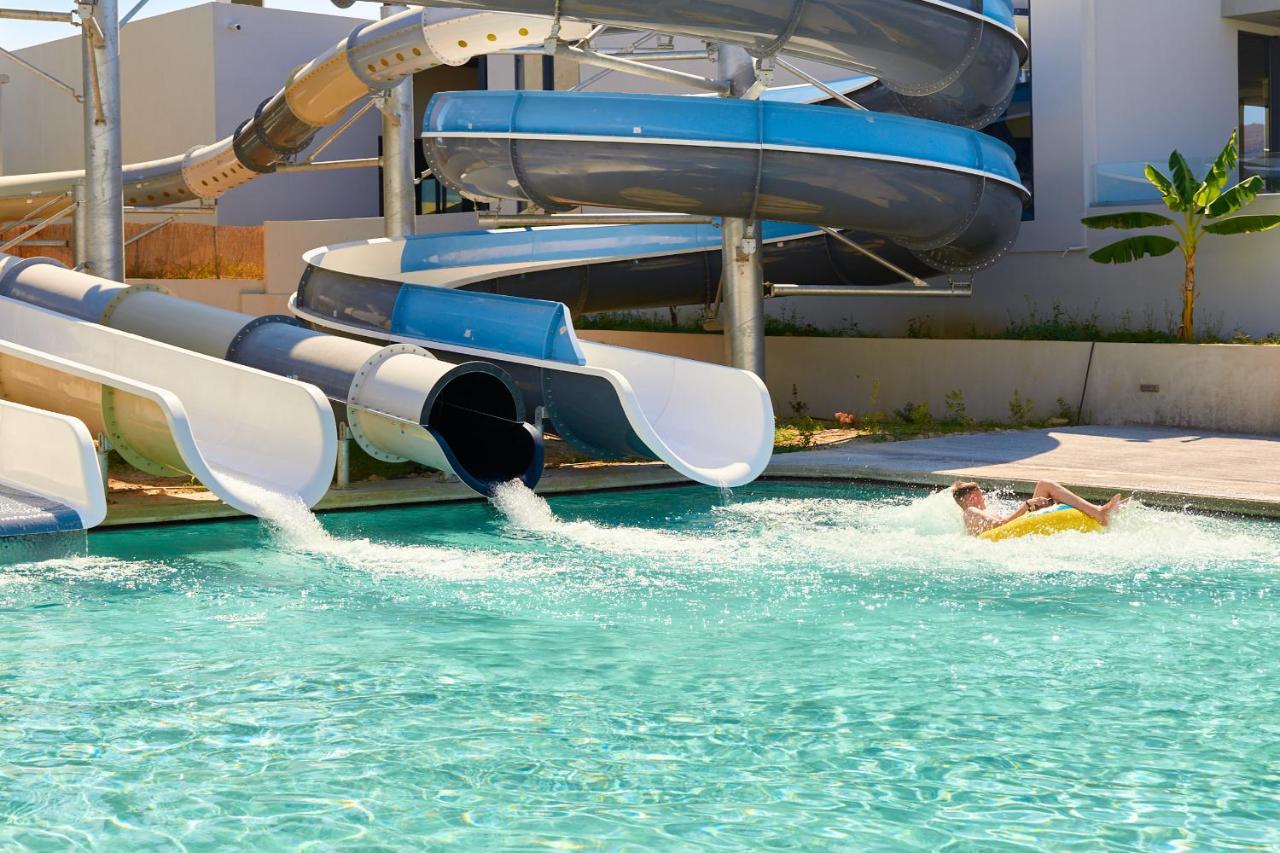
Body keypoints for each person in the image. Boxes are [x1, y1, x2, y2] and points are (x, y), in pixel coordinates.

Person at [951, 480, 1125, 537]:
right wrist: (1026, 506)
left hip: (1013, 529)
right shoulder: (970, 512)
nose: (984, 497)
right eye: (980, 494)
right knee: (1044, 487)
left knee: (1044, 485)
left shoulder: (981, 512)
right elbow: (999, 526)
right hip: (1004, 537)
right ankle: (1099, 513)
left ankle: (1098, 510)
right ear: (972, 497)